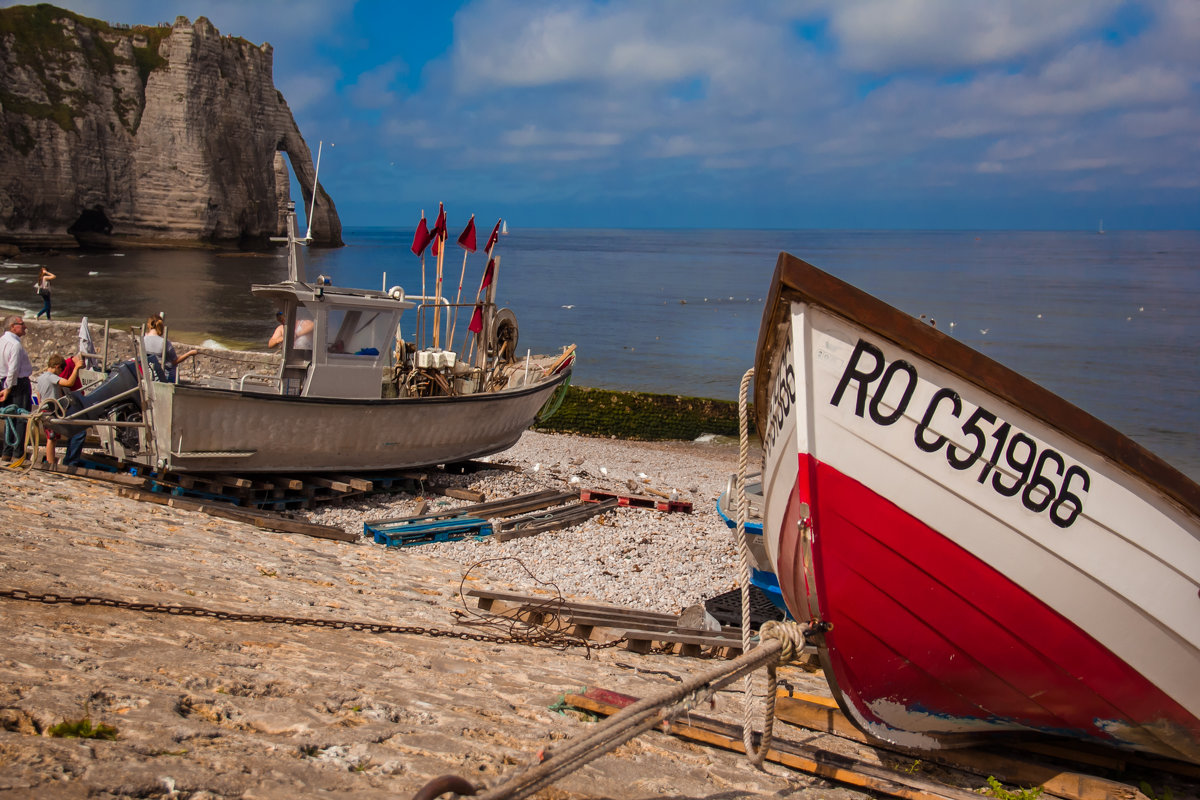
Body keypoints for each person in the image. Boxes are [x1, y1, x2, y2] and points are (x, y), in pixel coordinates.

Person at [36, 353, 85, 467]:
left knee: (52, 438)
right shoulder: (51, 377)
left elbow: (38, 394)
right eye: (61, 370)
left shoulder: (40, 378)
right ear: (57, 366)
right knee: (52, 438)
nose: (61, 373)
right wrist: (76, 367)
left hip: (45, 409)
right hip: (51, 411)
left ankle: (51, 463)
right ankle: (51, 464)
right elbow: (69, 383)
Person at [0, 315, 34, 461]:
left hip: (3, 381)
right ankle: (17, 454)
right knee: (21, 417)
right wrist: (8, 388)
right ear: (13, 326)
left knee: (9, 417)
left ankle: (7, 453)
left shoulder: (1, 341)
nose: (25, 326)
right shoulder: (15, 345)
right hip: (17, 383)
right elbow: (13, 370)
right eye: (22, 324)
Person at [143, 314, 199, 382]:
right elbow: (174, 361)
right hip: (165, 376)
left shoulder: (143, 339)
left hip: (149, 373)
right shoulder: (164, 343)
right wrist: (189, 354)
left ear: (148, 325)